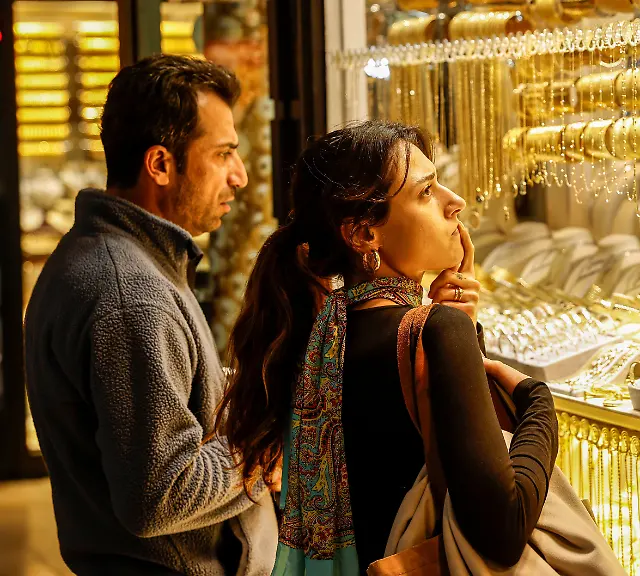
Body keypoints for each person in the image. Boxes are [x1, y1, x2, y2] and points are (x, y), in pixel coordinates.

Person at [214, 120, 559, 574]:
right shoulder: (434, 333)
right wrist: (539, 404)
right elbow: (503, 532)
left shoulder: (319, 336)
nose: (454, 202)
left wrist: (461, 329)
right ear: (363, 235)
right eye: (426, 192)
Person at [23, 54, 278, 575]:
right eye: (225, 153)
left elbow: (179, 394)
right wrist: (261, 452)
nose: (240, 176)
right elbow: (160, 493)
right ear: (160, 164)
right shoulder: (129, 293)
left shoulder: (120, 257)